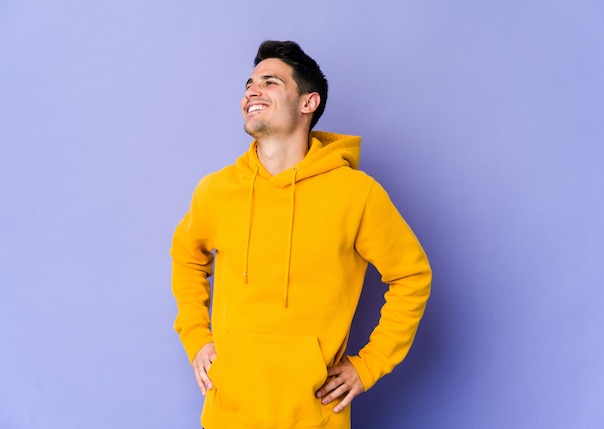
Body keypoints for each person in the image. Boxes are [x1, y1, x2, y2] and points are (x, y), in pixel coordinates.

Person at [171, 40, 432, 429]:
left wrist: (368, 365)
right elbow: (187, 257)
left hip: (314, 417)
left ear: (309, 103)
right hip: (227, 415)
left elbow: (411, 275)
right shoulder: (215, 191)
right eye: (250, 84)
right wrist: (196, 335)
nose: (252, 91)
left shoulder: (356, 195)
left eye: (270, 82)